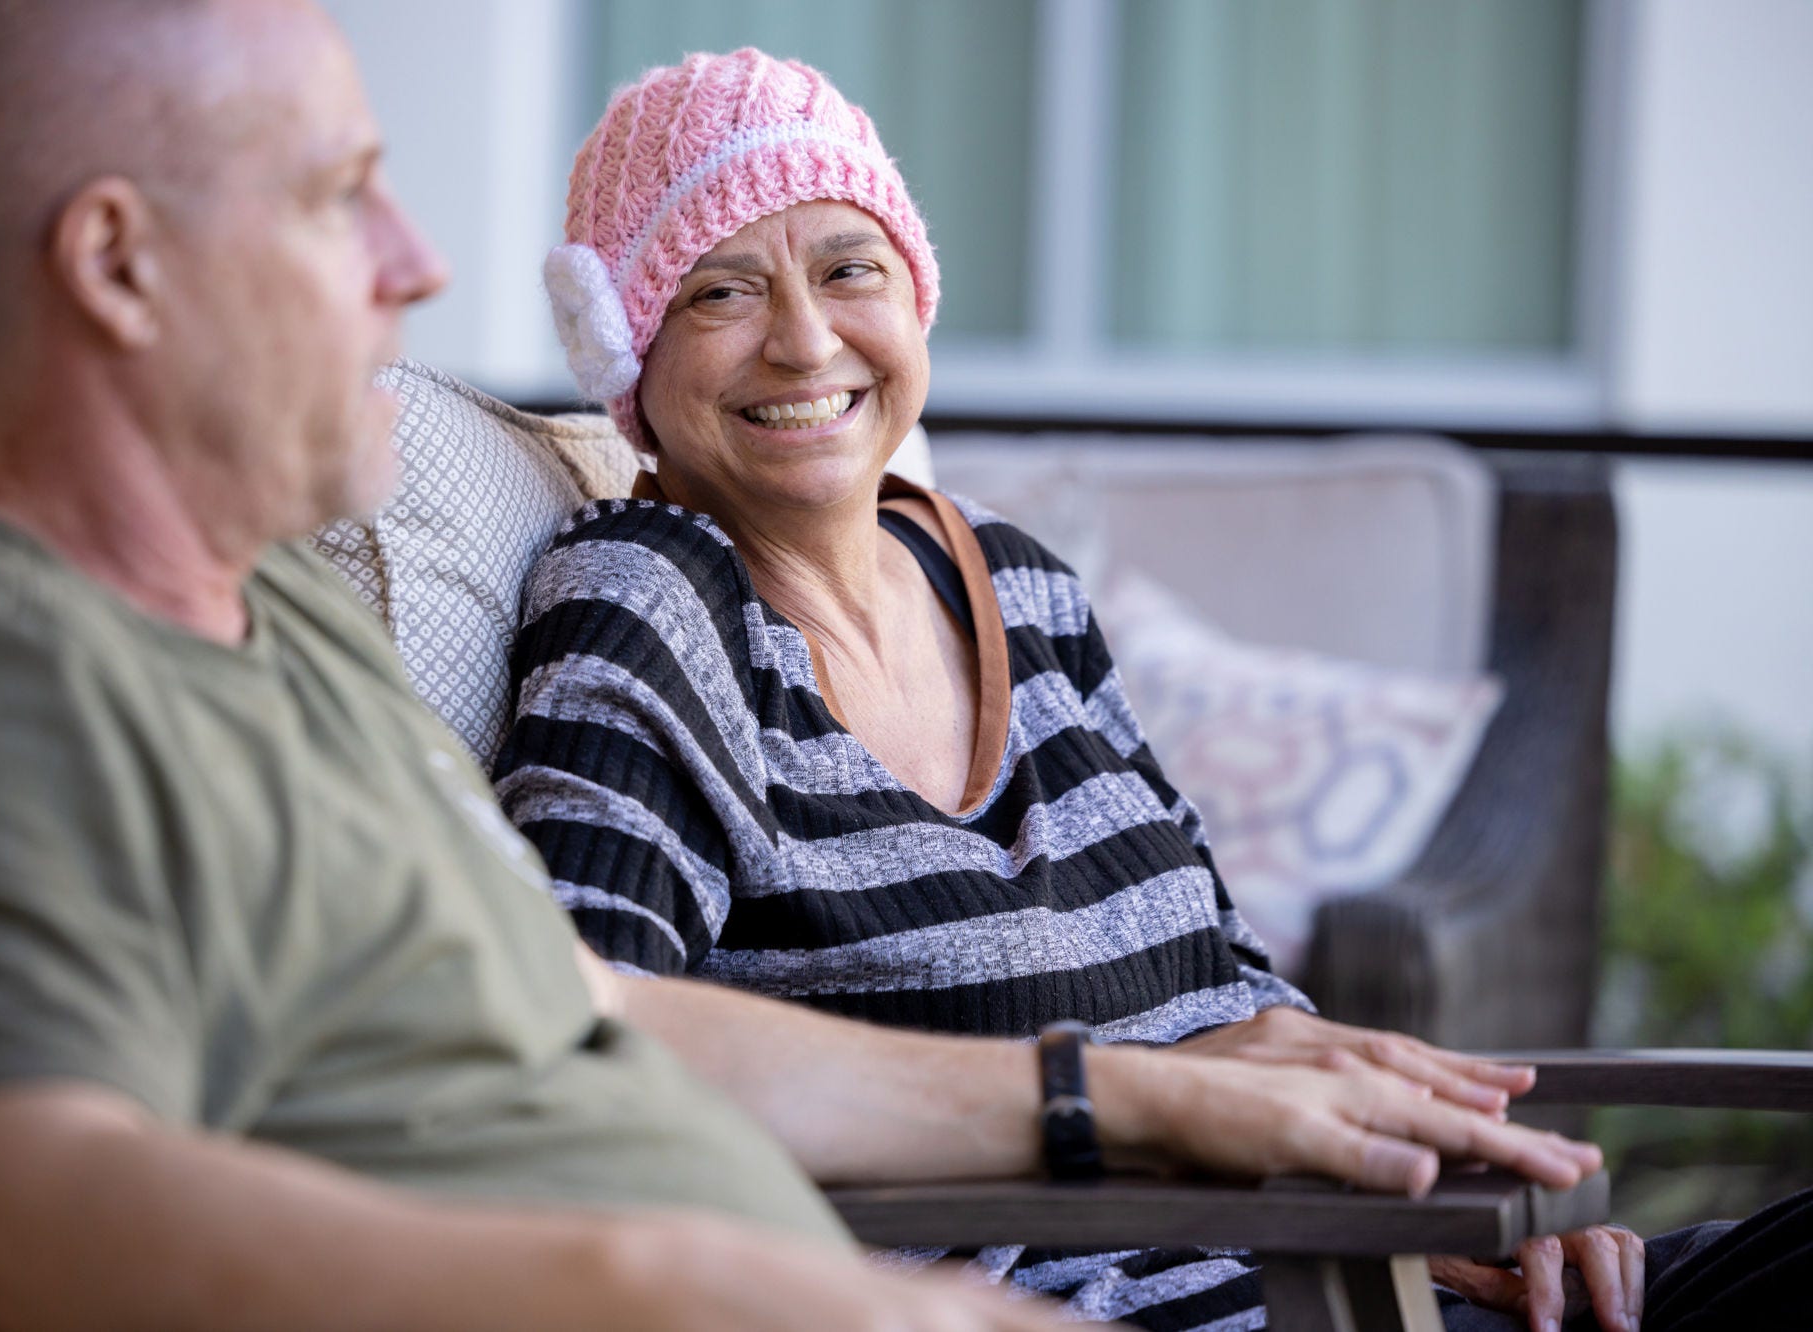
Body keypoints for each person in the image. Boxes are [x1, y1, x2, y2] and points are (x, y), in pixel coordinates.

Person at [0, 5, 1616, 1330]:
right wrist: (759, 1295)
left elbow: (607, 1017)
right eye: (342, 196)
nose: (415, 267)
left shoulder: (277, 633)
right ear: (117, 263)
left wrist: (1147, 1095)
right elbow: (35, 1231)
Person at [499, 49, 1811, 1332]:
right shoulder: (646, 599)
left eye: (852, 270)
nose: (804, 340)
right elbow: (584, 1048)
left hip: (1360, 1267)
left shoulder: (1016, 584)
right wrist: (1132, 1105)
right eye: (721, 293)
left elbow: (1226, 981)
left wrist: (1449, 1185)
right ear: (626, 354)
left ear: (914, 299)